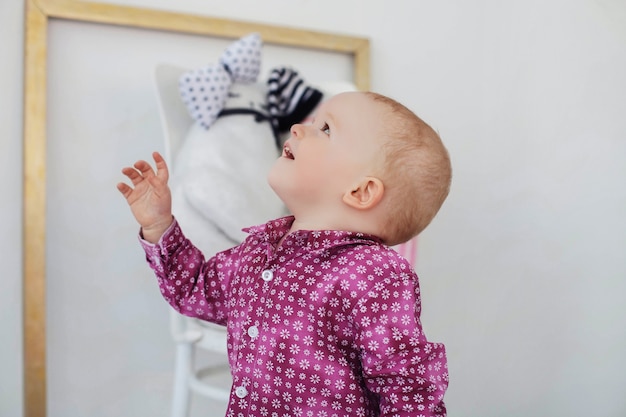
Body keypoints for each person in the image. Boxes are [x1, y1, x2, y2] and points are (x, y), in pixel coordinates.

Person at [117, 91, 452, 417]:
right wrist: (160, 225)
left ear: (361, 191)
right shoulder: (259, 251)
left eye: (326, 129)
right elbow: (195, 289)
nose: (298, 127)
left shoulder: (374, 273)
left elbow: (407, 386)